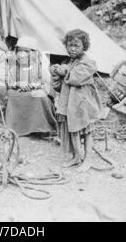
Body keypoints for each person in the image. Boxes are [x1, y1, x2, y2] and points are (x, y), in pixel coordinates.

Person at [51, 29, 103, 172]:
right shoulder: (68, 61)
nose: (72, 49)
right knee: (72, 130)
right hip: (69, 103)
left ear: (84, 46)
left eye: (76, 46)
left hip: (82, 103)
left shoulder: (88, 62)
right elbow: (59, 86)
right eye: (70, 45)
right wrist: (55, 72)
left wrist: (63, 70)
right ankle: (76, 156)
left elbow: (75, 77)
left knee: (86, 131)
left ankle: (88, 160)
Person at [5, 36, 57, 137]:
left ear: (33, 53)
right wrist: (17, 84)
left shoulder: (39, 68)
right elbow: (10, 84)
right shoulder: (14, 69)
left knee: (38, 96)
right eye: (19, 51)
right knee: (12, 95)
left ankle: (41, 128)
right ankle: (17, 127)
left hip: (36, 94)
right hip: (21, 93)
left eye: (26, 51)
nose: (22, 55)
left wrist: (36, 85)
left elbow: (50, 87)